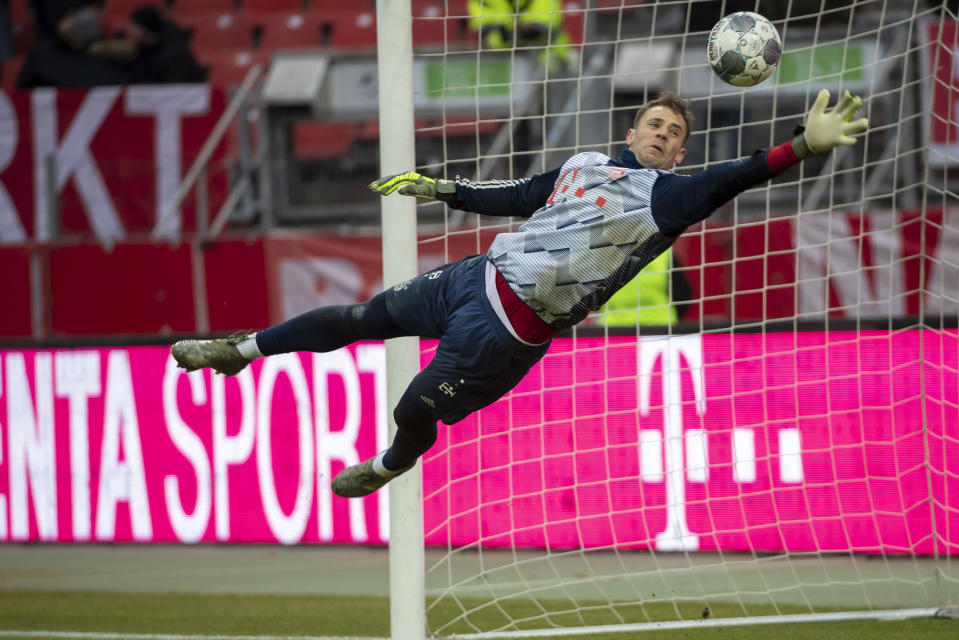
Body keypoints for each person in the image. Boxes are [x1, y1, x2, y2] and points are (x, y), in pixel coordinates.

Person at [171, 88, 868, 498]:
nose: (661, 135)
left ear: (681, 153)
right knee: (362, 315)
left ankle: (391, 463)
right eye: (654, 124)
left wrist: (801, 145)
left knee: (411, 405)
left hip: (508, 330)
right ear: (631, 131)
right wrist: (441, 189)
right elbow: (520, 196)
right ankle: (242, 349)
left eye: (674, 133)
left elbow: (739, 175)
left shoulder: (669, 197)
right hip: (472, 277)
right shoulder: (585, 162)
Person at [598, 247, 691, 327]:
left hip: (614, 332)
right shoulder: (662, 252)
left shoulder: (602, 258)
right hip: (659, 330)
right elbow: (683, 294)